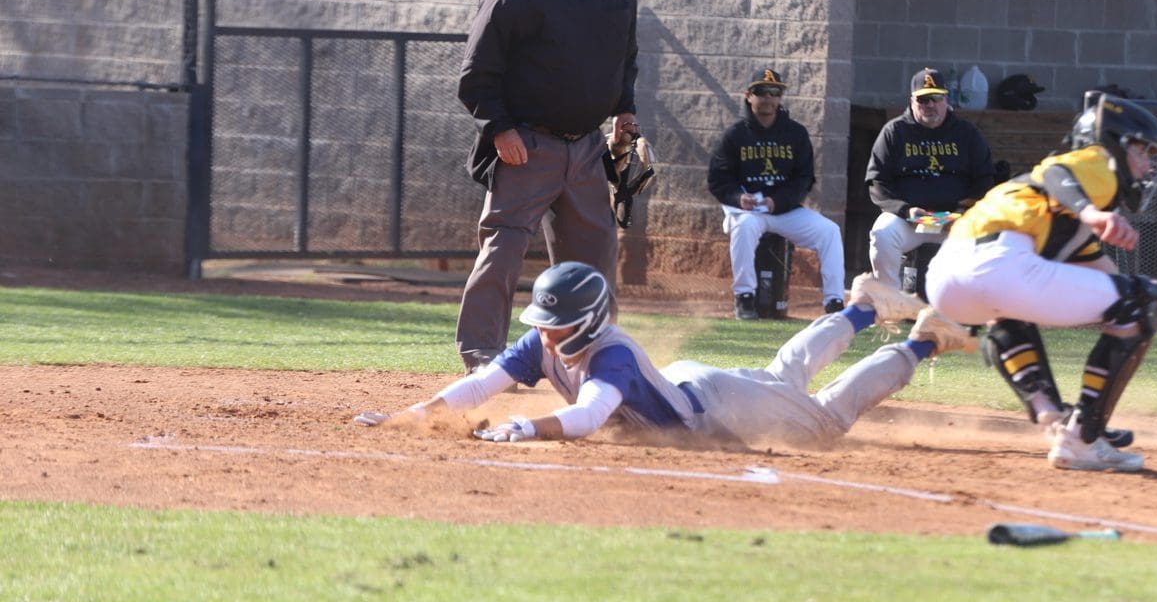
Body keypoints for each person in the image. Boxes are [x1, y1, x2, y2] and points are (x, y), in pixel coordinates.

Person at [354, 262, 976, 448]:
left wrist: (528, 427)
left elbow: (588, 417)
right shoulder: (540, 343)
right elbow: (479, 384)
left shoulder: (611, 358)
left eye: (556, 324)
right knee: (784, 374)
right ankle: (863, 309)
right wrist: (412, 415)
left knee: (824, 423)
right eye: (543, 323)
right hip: (694, 387)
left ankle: (923, 338)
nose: (545, 335)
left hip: (716, 409)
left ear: (588, 321)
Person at [925, 91, 1157, 472]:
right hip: (998, 262)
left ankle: (1055, 418)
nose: (1147, 165)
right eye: (1143, 152)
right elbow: (1057, 172)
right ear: (1115, 145)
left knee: (1014, 316)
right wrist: (1091, 213)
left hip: (946, 279)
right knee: (1135, 311)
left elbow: (1114, 287)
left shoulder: (1055, 218)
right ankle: (1084, 438)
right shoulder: (1097, 165)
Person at [454, 0, 639, 374]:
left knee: (595, 256)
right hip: (526, 144)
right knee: (502, 249)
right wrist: (499, 128)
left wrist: (625, 109)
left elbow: (626, 56)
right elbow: (476, 74)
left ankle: (594, 358)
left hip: (588, 146)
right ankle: (483, 358)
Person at [708, 68, 846, 320]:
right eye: (761, 92)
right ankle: (745, 297)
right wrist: (738, 198)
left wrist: (777, 201)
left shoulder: (795, 133)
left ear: (781, 97)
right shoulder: (735, 135)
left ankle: (834, 302)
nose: (768, 98)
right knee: (745, 227)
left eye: (775, 92)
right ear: (749, 96)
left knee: (829, 231)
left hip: (783, 210)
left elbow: (804, 179)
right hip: (747, 210)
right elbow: (717, 180)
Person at [865, 67, 995, 289]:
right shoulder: (894, 131)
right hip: (909, 220)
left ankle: (968, 305)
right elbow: (878, 181)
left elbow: (985, 180)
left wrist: (962, 212)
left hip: (954, 220)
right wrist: (905, 210)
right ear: (912, 101)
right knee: (882, 234)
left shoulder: (966, 133)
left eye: (936, 98)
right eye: (923, 99)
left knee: (991, 239)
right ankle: (890, 299)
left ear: (946, 99)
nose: (930, 105)